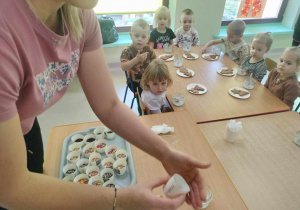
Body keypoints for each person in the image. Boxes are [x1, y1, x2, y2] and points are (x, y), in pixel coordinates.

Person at [0, 0, 211, 209]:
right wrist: (120, 199)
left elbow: (108, 104)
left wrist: (166, 154)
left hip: (23, 127)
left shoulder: (78, 14)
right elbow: (13, 188)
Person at [120, 19, 156, 95]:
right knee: (146, 93)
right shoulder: (127, 51)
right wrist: (136, 59)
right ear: (131, 36)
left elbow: (155, 61)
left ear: (148, 39)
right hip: (134, 82)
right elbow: (123, 67)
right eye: (136, 35)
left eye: (143, 37)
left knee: (160, 86)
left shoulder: (148, 49)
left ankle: (156, 105)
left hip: (147, 79)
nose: (139, 39)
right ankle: (142, 106)